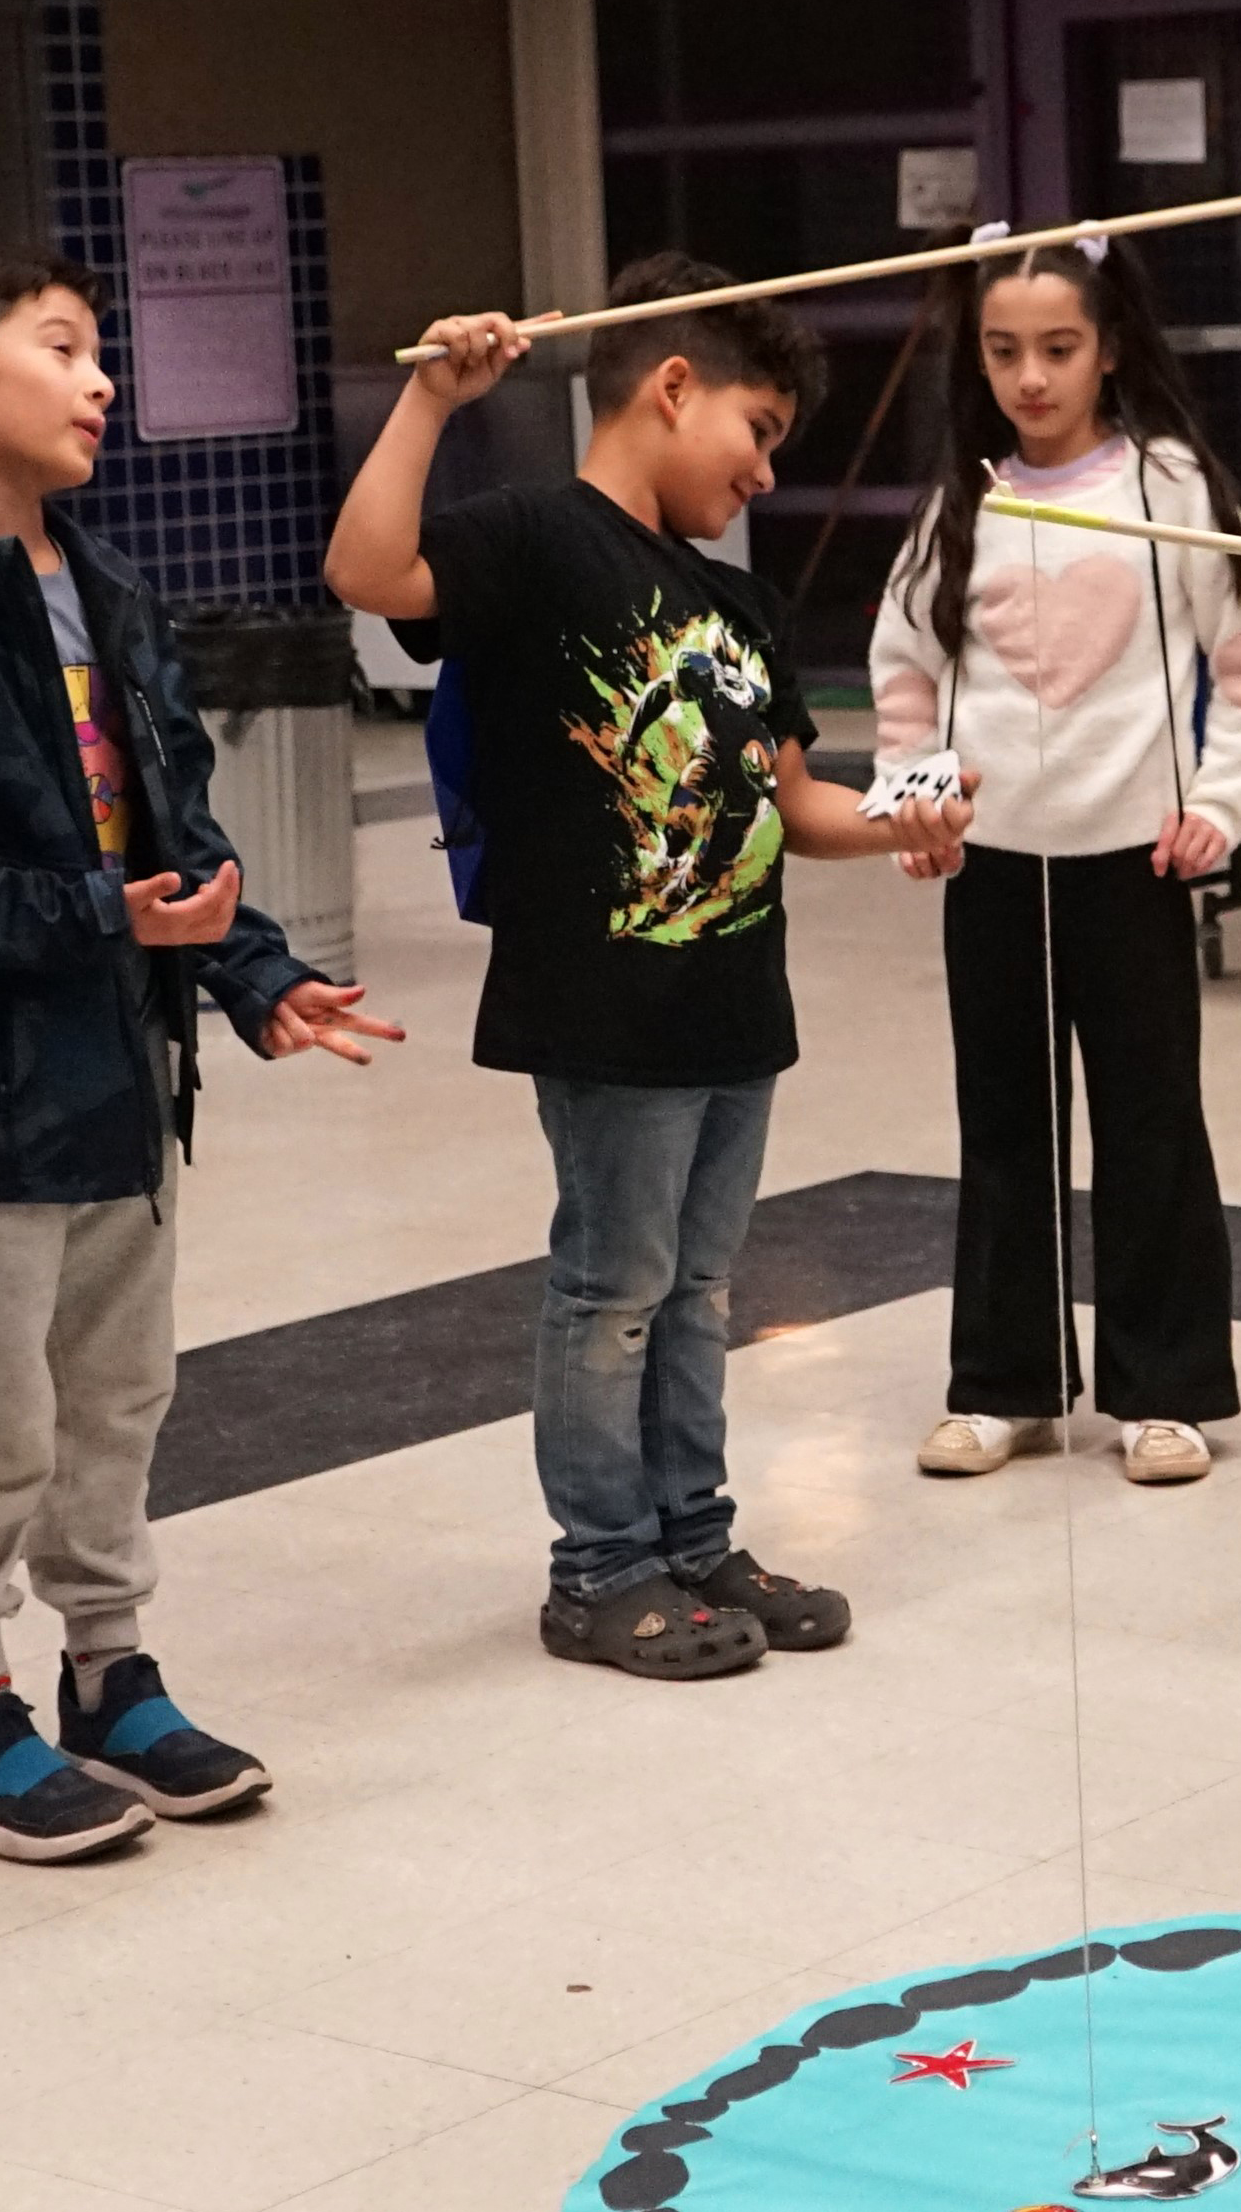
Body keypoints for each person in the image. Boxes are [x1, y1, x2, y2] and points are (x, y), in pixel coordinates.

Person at [0, 241, 396, 1858]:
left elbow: (179, 830)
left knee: (114, 1398)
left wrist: (255, 969)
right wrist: (101, 915)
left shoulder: (117, 592)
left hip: (120, 1088)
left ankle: (107, 1669)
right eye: (62, 347)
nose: (100, 382)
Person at [324, 259, 974, 1679]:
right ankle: (599, 1563)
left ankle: (693, 1534)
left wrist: (899, 813)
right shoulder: (540, 538)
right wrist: (434, 396)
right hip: (604, 1002)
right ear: (672, 387)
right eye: (757, 428)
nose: (762, 469)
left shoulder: (737, 607)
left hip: (735, 1003)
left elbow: (795, 802)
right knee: (610, 1285)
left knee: (698, 1290)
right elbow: (367, 572)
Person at [872, 235, 1241, 1489]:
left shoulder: (1170, 488)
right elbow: (905, 671)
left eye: (1058, 348)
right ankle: (1006, 1383)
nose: (1031, 377)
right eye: (1004, 351)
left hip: (1133, 861)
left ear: (1109, 347)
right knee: (1003, 1122)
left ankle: (1163, 1387)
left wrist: (1218, 801)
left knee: (1152, 1120)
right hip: (992, 865)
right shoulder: (963, 498)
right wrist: (921, 806)